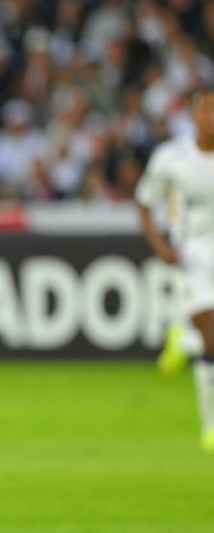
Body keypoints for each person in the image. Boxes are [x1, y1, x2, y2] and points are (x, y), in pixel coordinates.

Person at [136, 85, 214, 454]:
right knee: (213, 336)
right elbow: (144, 201)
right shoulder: (172, 158)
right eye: (206, 110)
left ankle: (182, 338)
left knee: (205, 339)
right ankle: (211, 427)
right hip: (193, 256)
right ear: (194, 115)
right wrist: (161, 246)